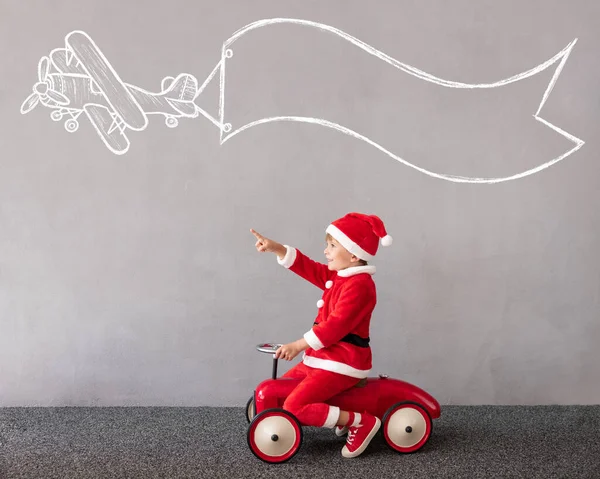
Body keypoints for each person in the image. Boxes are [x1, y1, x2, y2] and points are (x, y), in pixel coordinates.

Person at [250, 212, 393, 458]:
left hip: (344, 361)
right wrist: (278, 250)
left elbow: (336, 326)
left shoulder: (360, 286)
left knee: (295, 406)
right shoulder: (340, 277)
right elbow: (310, 269)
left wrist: (298, 345)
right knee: (284, 389)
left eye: (332, 245)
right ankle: (337, 415)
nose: (325, 251)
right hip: (323, 357)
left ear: (353, 254)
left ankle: (359, 421)